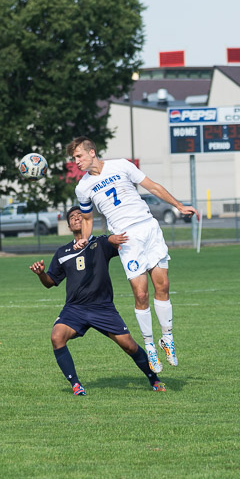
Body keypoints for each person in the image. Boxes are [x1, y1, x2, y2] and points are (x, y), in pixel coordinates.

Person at [66, 136, 198, 373]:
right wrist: (85, 238)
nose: (76, 161)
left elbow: (153, 186)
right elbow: (87, 218)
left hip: (149, 228)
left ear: (92, 152)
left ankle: (167, 339)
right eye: (74, 158)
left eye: (78, 156)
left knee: (163, 286)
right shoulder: (82, 187)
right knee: (141, 293)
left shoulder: (122, 165)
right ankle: (149, 345)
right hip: (127, 239)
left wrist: (179, 205)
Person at [30, 207, 166, 396]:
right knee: (56, 337)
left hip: (103, 308)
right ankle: (76, 385)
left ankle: (154, 379)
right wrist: (41, 274)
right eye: (72, 217)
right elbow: (50, 283)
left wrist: (124, 237)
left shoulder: (100, 243)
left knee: (130, 346)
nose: (77, 218)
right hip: (75, 309)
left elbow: (122, 244)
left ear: (87, 221)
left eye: (81, 215)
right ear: (69, 225)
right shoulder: (62, 252)